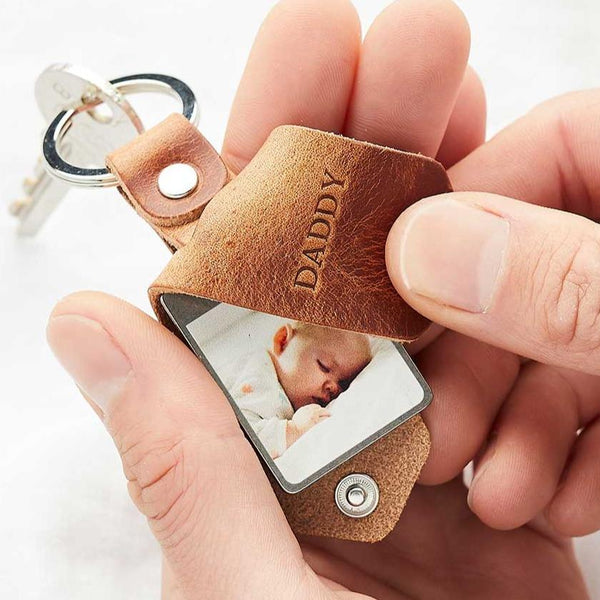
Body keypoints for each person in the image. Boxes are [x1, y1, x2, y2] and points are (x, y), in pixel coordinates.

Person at [45, 0, 598, 597]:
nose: (336, 388)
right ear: (280, 339)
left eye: (346, 381)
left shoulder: (307, 396)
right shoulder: (256, 387)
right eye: (330, 368)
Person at [226, 321, 372, 458]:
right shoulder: (258, 376)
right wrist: (293, 430)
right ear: (282, 341)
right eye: (324, 366)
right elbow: (237, 443)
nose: (334, 388)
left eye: (343, 384)